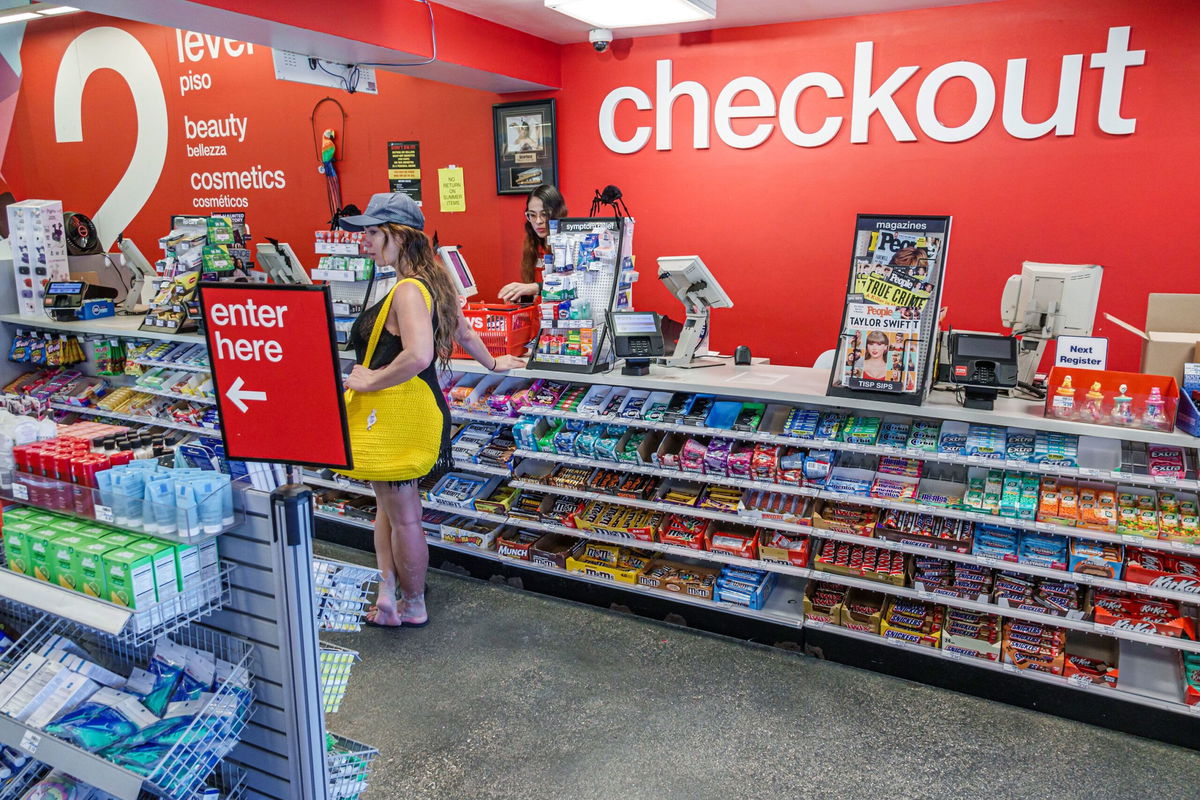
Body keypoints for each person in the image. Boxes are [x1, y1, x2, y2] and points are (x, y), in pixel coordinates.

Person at [338, 193, 524, 628]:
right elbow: (465, 332)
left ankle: (413, 603)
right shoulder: (435, 281)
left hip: (395, 416)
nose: (365, 242)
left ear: (399, 236)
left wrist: (370, 380)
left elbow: (419, 355)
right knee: (389, 511)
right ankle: (388, 593)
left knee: (404, 518)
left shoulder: (407, 289)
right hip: (412, 412)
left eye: (373, 233)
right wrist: (494, 364)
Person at [498, 184, 567, 303]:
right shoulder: (533, 245)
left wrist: (535, 287)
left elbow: (571, 286)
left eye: (544, 214)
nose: (538, 221)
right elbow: (536, 296)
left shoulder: (569, 244)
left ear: (557, 214)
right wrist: (518, 297)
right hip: (538, 313)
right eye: (532, 215)